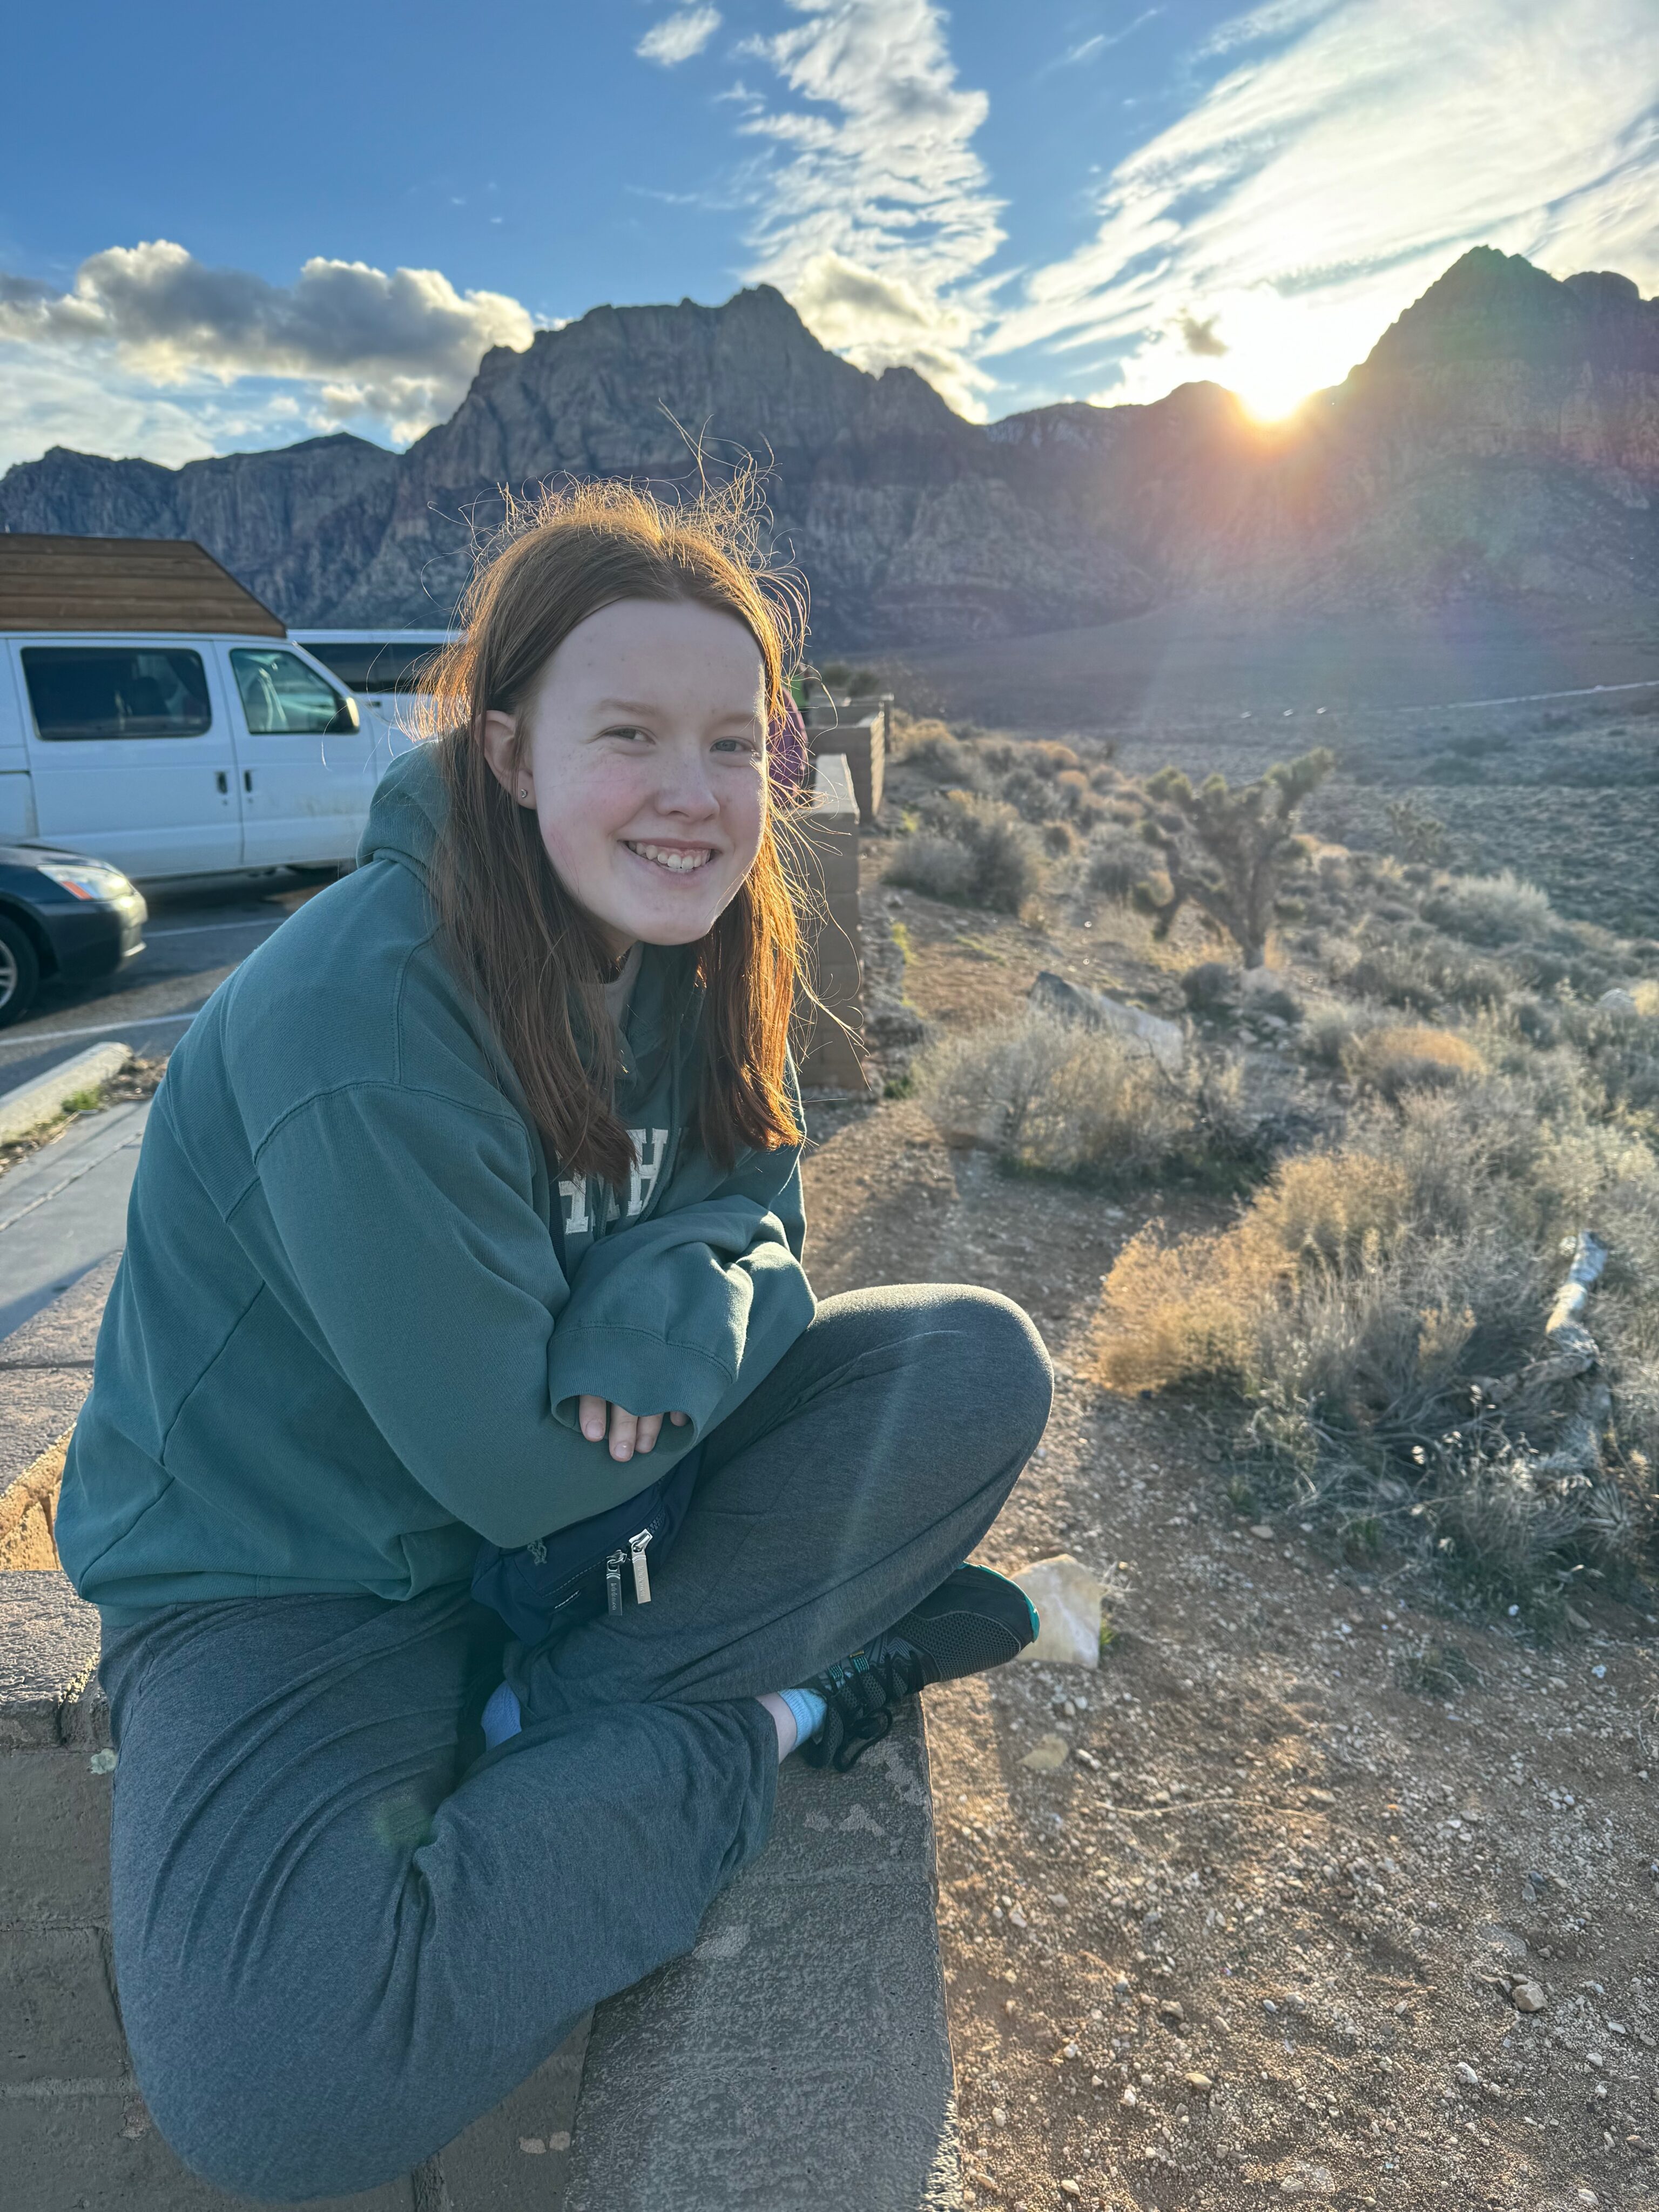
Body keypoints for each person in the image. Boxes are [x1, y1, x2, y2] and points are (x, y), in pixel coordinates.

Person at [54, 481, 1052, 2203]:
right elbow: (520, 1471)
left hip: (586, 1525)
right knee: (274, 2103)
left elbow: (760, 1192)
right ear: (509, 753)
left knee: (974, 1364)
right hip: (300, 1578)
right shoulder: (362, 1016)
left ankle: (564, 1715)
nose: (693, 792)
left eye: (732, 742)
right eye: (632, 735)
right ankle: (780, 1710)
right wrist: (722, 1320)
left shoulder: (699, 937)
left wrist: (687, 1295)